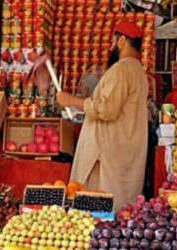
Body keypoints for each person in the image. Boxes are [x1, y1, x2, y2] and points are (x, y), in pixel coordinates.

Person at [56, 21, 148, 210]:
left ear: (122, 40)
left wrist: (71, 101)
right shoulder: (139, 72)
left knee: (99, 206)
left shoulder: (121, 70)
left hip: (107, 153)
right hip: (123, 151)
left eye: (113, 41)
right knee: (119, 205)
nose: (111, 46)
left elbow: (106, 109)